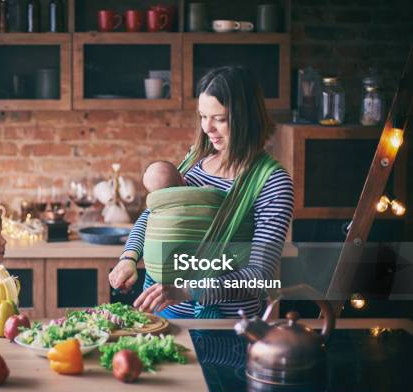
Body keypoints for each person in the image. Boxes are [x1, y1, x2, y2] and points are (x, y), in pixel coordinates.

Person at [109, 65, 294, 318]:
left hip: (226, 325)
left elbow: (258, 276)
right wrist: (129, 257)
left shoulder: (272, 182)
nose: (207, 128)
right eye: (202, 116)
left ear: (247, 118)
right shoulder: (195, 159)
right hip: (166, 316)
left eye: (219, 118)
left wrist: (187, 291)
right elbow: (155, 214)